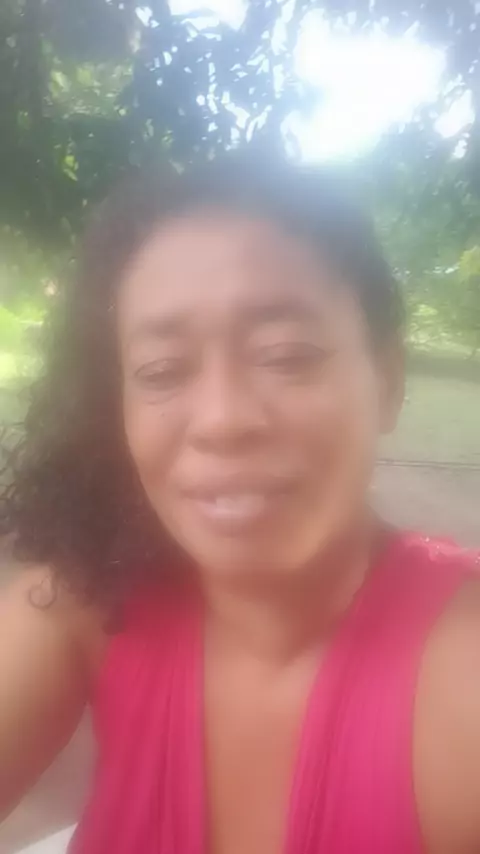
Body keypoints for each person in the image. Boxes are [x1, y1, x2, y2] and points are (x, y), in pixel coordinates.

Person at [0, 151, 479, 854]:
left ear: (387, 380)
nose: (222, 420)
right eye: (162, 371)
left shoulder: (463, 671)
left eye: (286, 355)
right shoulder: (86, 604)